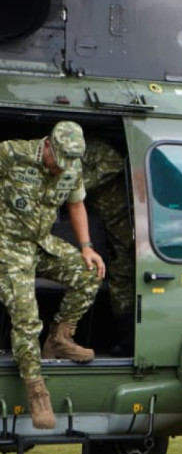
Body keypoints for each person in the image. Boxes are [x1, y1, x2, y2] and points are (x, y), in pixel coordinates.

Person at [0, 121, 105, 429]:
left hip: (41, 243)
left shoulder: (70, 167)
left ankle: (59, 338)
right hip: (8, 246)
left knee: (88, 274)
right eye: (58, 162)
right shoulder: (11, 153)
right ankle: (35, 389)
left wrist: (86, 247)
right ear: (48, 146)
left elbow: (77, 205)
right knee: (26, 314)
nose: (62, 170)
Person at [81, 137, 135, 355]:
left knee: (134, 276)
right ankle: (126, 340)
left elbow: (113, 163)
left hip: (126, 220)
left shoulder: (94, 148)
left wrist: (76, 185)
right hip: (106, 227)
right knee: (119, 281)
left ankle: (132, 341)